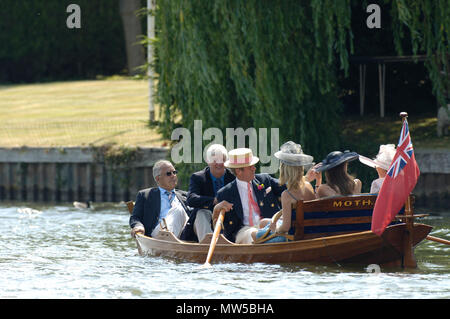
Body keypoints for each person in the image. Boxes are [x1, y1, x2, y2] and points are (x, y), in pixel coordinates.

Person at [212, 148, 285, 244]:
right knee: (252, 233)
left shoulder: (265, 180)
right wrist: (216, 210)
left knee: (271, 224)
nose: (254, 168)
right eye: (250, 166)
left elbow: (287, 187)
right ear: (238, 171)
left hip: (269, 224)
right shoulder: (225, 193)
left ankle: (273, 239)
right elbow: (219, 227)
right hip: (245, 231)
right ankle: (271, 240)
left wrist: (304, 180)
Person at [255, 141, 316, 243]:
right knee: (263, 223)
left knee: (255, 234)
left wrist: (276, 230)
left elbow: (285, 227)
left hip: (293, 238)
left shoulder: (287, 195)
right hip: (309, 233)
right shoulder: (308, 186)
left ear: (284, 170)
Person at [180, 144, 235, 242]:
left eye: (221, 160)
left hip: (227, 221)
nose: (218, 163)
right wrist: (214, 201)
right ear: (208, 161)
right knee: (202, 213)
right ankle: (208, 243)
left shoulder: (233, 178)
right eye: (215, 160)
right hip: (204, 221)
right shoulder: (198, 177)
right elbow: (191, 199)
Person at [129, 160, 191, 239]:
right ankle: (169, 239)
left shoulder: (186, 196)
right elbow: (135, 217)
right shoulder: (145, 195)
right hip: (159, 234)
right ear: (158, 178)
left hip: (185, 233)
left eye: (174, 172)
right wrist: (139, 226)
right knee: (178, 210)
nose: (173, 176)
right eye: (168, 174)